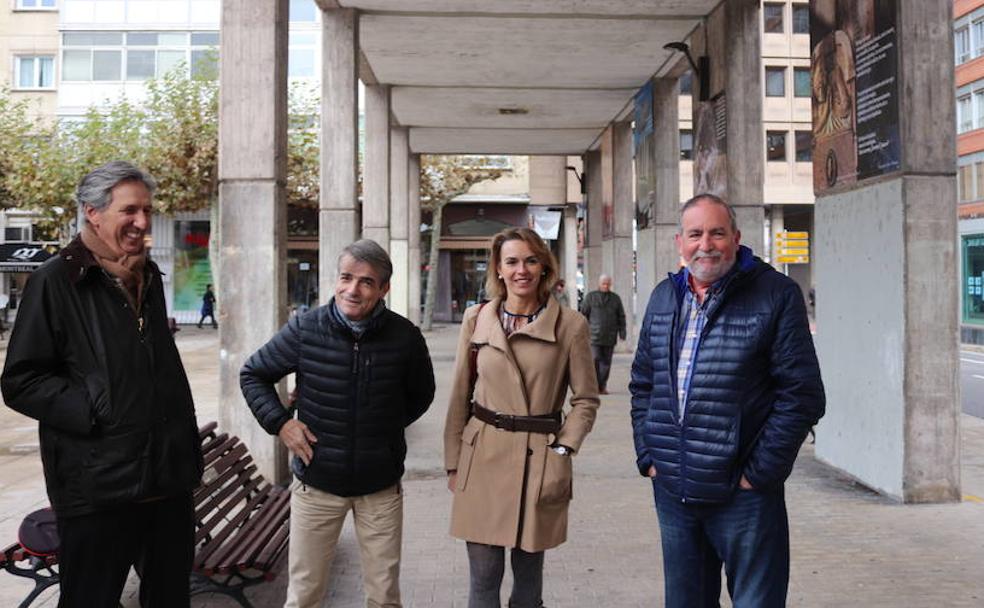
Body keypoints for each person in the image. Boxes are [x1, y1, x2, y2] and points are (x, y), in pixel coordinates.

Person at [1, 160, 204, 608]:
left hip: (166, 482)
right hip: (98, 488)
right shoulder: (55, 281)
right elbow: (20, 379)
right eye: (130, 210)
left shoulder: (146, 277)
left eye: (147, 211)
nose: (142, 222)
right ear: (93, 212)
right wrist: (96, 410)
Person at [629, 194, 825, 608]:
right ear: (679, 242)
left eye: (717, 233)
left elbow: (802, 395)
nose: (707, 244)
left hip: (744, 497)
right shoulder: (664, 297)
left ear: (736, 238)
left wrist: (760, 474)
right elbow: (643, 384)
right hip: (675, 492)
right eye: (696, 234)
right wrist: (649, 455)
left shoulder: (776, 294)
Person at [240, 239, 435, 608]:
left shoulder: (405, 336)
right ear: (336, 279)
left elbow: (422, 395)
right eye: (346, 277)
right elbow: (253, 374)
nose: (353, 289)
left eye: (366, 281)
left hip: (380, 488)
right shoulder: (305, 329)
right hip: (317, 484)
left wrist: (382, 431)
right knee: (304, 595)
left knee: (384, 596)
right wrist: (282, 424)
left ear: (383, 289)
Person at [444, 227, 600, 608]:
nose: (521, 270)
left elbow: (586, 400)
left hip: (540, 460)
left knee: (528, 584)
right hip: (481, 458)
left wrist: (562, 450)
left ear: (544, 266)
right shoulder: (476, 318)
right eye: (511, 261)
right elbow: (459, 394)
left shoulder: (570, 325)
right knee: (483, 579)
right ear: (498, 269)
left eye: (531, 260)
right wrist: (453, 462)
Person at [579, 274, 626, 394]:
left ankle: (602, 385)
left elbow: (621, 316)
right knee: (595, 360)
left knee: (606, 363)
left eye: (608, 284)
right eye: (604, 284)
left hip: (610, 335)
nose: (606, 286)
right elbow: (583, 314)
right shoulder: (591, 297)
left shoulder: (615, 299)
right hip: (594, 335)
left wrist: (622, 332)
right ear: (599, 284)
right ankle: (595, 385)